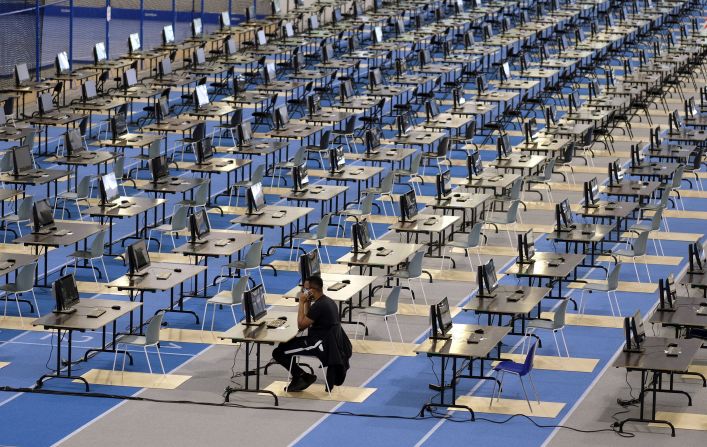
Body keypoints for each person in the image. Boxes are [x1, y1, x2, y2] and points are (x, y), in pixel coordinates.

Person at [272, 275, 351, 392]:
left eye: (305, 289)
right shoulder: (327, 301)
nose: (303, 292)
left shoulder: (320, 306)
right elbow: (309, 317)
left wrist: (301, 302)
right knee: (285, 345)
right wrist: (307, 303)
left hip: (318, 344)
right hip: (325, 341)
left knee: (278, 352)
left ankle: (302, 376)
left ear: (311, 290)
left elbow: (301, 325)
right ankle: (300, 376)